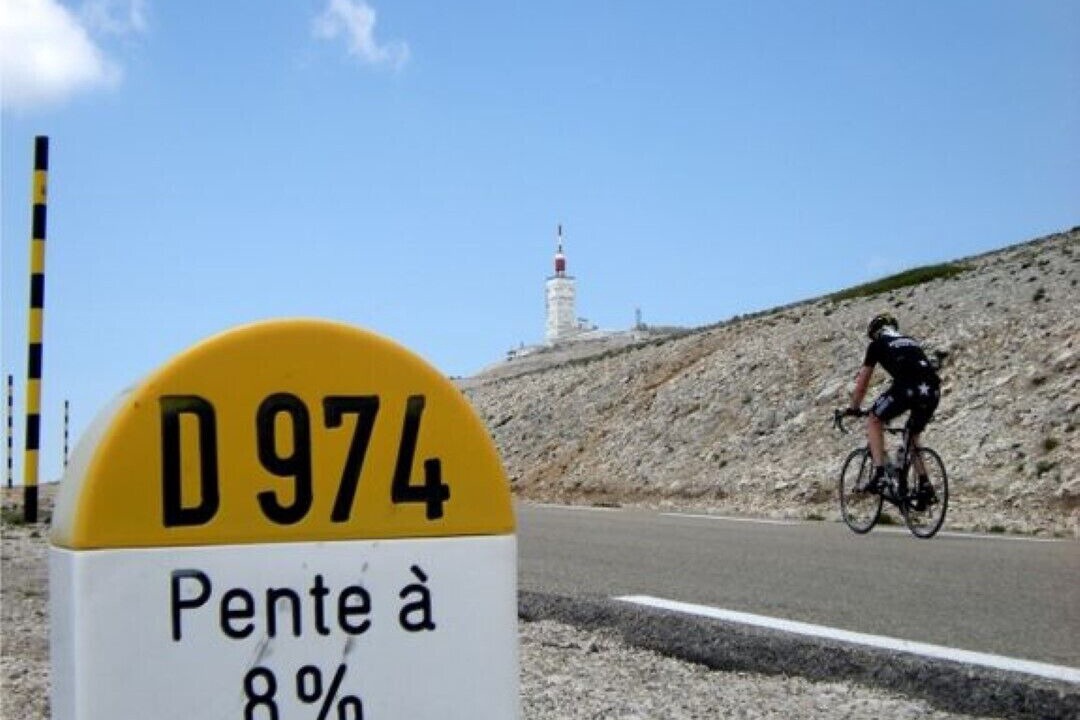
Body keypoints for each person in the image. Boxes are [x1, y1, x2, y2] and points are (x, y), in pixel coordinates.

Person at [847, 312, 941, 506]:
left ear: (874, 333)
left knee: (874, 419)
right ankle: (924, 485)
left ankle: (880, 473)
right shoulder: (911, 341)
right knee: (912, 436)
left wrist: (854, 407)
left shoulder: (877, 345)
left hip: (907, 387)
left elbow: (863, 383)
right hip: (932, 390)